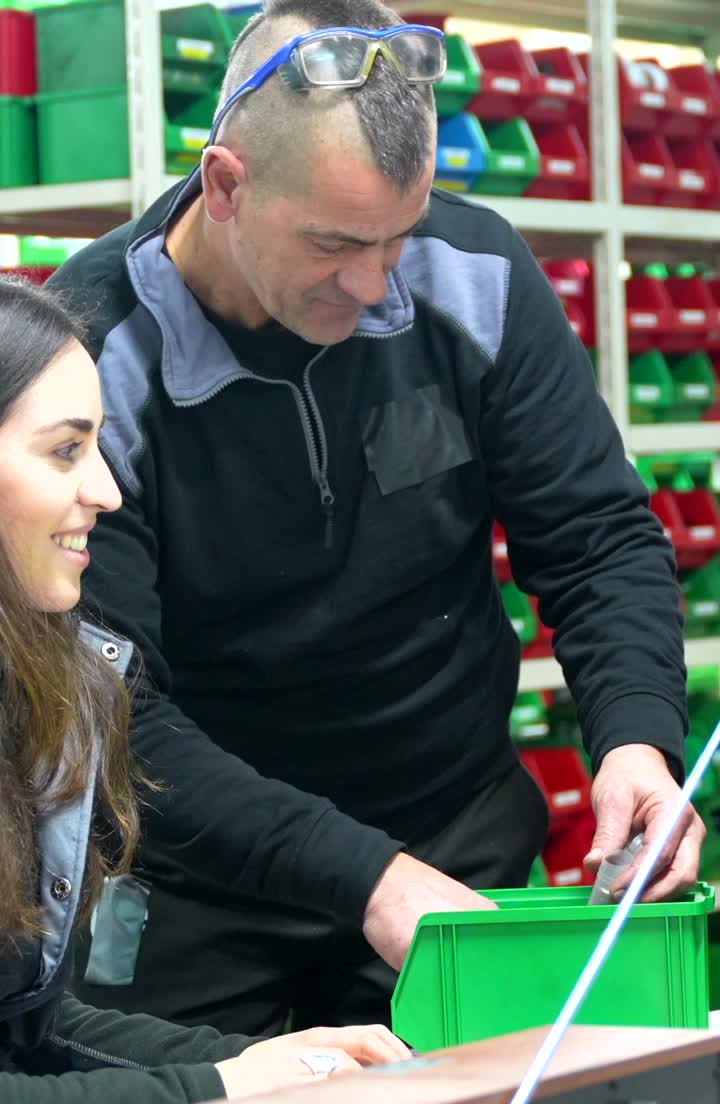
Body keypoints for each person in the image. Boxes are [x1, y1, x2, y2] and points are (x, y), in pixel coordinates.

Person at [50, 0, 703, 1039]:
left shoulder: (475, 276)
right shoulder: (91, 356)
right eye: (337, 243)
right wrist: (369, 875)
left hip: (453, 837)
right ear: (226, 185)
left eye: (401, 234)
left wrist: (636, 740)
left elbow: (597, 537)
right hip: (201, 882)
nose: (374, 283)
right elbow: (116, 713)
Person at [0, 274, 411, 1104]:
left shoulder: (44, 688)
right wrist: (222, 1085)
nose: (105, 490)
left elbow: (25, 1019)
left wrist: (284, 1070)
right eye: (65, 451)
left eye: (98, 448)